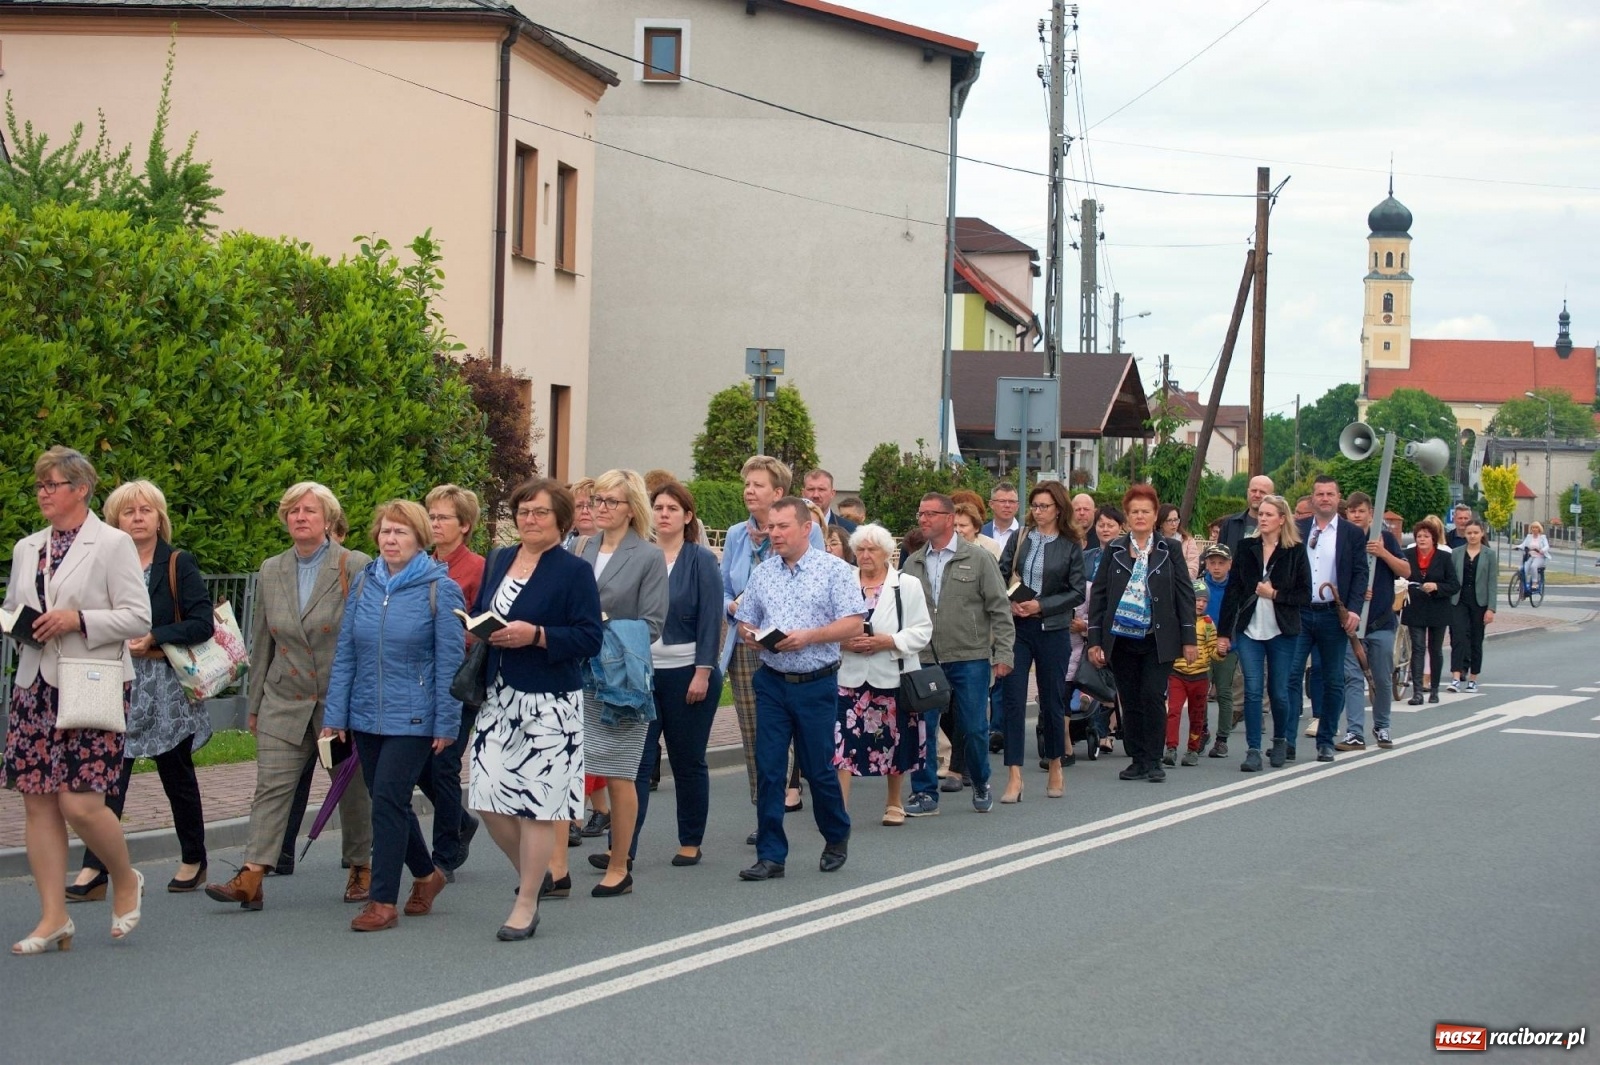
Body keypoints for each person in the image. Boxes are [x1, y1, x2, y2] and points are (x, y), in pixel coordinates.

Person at [6, 447, 152, 955]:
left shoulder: (112, 543)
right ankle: (54, 917)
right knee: (39, 802)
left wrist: (78, 620)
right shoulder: (29, 547)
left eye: (52, 485)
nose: (43, 493)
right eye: (40, 485)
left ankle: (124, 877)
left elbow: (138, 617)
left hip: (91, 681)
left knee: (80, 802)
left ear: (81, 488)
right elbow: (14, 609)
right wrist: (20, 625)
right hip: (35, 686)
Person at [206, 482, 373, 912]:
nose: (300, 517)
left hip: (340, 702)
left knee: (351, 788)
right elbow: (262, 639)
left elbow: (368, 636)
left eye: (309, 510)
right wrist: (256, 704)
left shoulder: (353, 565)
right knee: (271, 787)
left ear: (329, 520)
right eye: (293, 510)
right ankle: (252, 875)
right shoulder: (271, 569)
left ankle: (361, 866)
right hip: (285, 697)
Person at [467, 478, 602, 939]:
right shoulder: (500, 559)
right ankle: (535, 872)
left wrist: (538, 635)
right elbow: (488, 610)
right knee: (486, 797)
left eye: (540, 512)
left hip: (549, 701)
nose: (529, 519)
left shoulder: (573, 571)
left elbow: (589, 638)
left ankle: (525, 903)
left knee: (539, 807)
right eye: (523, 511)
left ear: (561, 521)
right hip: (498, 695)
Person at [322, 501, 465, 932]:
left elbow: (450, 663)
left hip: (415, 717)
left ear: (420, 539)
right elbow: (347, 652)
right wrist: (336, 714)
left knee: (385, 799)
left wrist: (446, 723)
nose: (390, 539)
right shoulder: (365, 583)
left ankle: (383, 901)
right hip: (366, 715)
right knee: (391, 801)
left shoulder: (440, 588)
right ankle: (427, 875)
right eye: (385, 532)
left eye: (400, 532)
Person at [70, 480, 213, 901]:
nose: (138, 517)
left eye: (146, 510)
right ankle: (95, 869)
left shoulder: (178, 563)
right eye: (129, 512)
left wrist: (155, 636)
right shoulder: (101, 564)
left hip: (166, 686)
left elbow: (203, 622)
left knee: (177, 777)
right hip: (115, 681)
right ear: (114, 520)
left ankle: (194, 858)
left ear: (159, 517)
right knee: (109, 777)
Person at [734, 497, 866, 880]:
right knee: (770, 768)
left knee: (818, 769)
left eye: (781, 527)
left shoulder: (834, 571)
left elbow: (854, 624)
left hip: (816, 684)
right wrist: (752, 636)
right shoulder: (763, 573)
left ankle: (836, 836)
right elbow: (744, 622)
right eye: (770, 527)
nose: (773, 533)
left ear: (806, 528)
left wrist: (809, 636)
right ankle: (771, 855)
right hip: (772, 682)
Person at [720, 456, 824, 843]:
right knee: (755, 733)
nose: (749, 490)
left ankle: (808, 796)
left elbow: (811, 581)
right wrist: (733, 607)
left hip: (791, 646)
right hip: (747, 643)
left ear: (778, 492)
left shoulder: (803, 531)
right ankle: (765, 813)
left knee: (796, 732)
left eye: (758, 485)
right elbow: (724, 587)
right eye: (747, 484)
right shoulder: (734, 535)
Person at [577, 469, 668, 897]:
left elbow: (651, 625)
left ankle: (619, 863)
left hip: (620, 679)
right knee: (567, 768)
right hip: (577, 674)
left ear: (632, 509)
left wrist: (597, 626)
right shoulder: (581, 546)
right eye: (597, 500)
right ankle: (556, 868)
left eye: (610, 501)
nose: (600, 508)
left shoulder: (648, 556)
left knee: (618, 773)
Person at [900, 493, 1013, 814]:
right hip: (924, 658)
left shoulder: (978, 559)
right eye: (920, 513)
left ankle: (980, 781)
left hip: (970, 657)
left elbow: (999, 609)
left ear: (949, 518)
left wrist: (1003, 653)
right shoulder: (913, 562)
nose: (922, 519)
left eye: (930, 514)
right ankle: (924, 793)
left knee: (974, 727)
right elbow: (904, 611)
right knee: (923, 726)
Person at [632, 482, 725, 866]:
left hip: (688, 673)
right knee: (635, 764)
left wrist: (703, 672)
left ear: (688, 517)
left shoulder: (700, 560)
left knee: (687, 760)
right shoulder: (640, 557)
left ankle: (690, 840)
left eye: (673, 508)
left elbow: (710, 620)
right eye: (658, 507)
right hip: (642, 674)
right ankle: (623, 847)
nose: (664, 513)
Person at [1086, 485, 1197, 783]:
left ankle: (1154, 759)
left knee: (1151, 695)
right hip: (1121, 639)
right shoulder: (1116, 549)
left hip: (1157, 638)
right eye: (1134, 511)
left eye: (1145, 511)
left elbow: (1185, 595)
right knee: (1130, 699)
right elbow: (1099, 596)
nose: (1140, 516)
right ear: (1127, 516)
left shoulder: (1169, 549)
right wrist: (1095, 640)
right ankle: (1137, 758)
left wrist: (1189, 639)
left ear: (1154, 515)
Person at [834, 523, 933, 826]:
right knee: (842, 744)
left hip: (891, 674)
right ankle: (840, 809)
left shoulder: (907, 585)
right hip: (848, 676)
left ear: (887, 553)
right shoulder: (841, 581)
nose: (865, 555)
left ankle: (894, 802)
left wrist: (887, 641)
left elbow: (922, 631)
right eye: (860, 549)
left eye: (871, 549)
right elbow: (825, 625)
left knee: (895, 740)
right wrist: (843, 642)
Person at [998, 481, 1086, 800]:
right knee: (1013, 698)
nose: (1037, 512)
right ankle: (1014, 776)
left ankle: (1055, 765)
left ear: (1058, 509)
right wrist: (1011, 601)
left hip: (1054, 630)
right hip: (1018, 629)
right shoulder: (1019, 537)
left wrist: (1042, 605)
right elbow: (1001, 573)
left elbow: (1077, 591)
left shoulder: (1070, 544)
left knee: (1051, 700)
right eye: (1034, 506)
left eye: (1044, 506)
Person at [1216, 495, 1311, 772]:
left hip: (1282, 631)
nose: (1263, 518)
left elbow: (1305, 594)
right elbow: (1233, 592)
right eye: (1261, 514)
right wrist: (1224, 633)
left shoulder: (1294, 550)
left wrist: (1275, 594)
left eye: (1270, 514)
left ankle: (1279, 740)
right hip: (1249, 630)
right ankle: (1253, 749)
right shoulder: (1246, 548)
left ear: (1282, 519)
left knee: (1279, 691)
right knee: (1253, 691)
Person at [420, 484, 484, 880]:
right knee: (418, 763)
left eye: (443, 517)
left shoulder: (477, 567)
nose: (434, 523)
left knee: (444, 764)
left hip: (459, 679)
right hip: (420, 679)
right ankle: (461, 819)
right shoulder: (421, 563)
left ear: (465, 525)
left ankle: (444, 854)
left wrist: (449, 632)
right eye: (431, 516)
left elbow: (482, 627)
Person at [1288, 475, 1370, 764]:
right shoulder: (1297, 529)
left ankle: (1325, 740)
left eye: (1330, 494)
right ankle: (1286, 741)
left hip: (1333, 614)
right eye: (1319, 494)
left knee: (1334, 679)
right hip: (1300, 612)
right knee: (1291, 675)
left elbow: (1361, 574)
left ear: (1338, 498)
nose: (1324, 498)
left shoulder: (1351, 533)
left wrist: (1355, 610)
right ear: (1312, 500)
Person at [1334, 492, 1411, 752]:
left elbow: (1405, 571)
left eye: (1361, 511)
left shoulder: (1385, 538)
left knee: (1381, 677)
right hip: (1353, 624)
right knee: (1352, 677)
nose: (1356, 515)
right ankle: (1355, 732)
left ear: (1370, 514)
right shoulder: (1341, 539)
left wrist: (1384, 553)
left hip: (1380, 622)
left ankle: (1382, 725)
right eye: (1352, 511)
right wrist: (1355, 593)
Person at [1402, 516, 1460, 706]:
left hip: (1438, 608)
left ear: (1433, 539)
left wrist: (1436, 586)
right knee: (1418, 648)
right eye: (1419, 536)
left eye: (1426, 536)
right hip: (1416, 607)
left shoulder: (1444, 557)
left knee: (1435, 649)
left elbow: (1454, 585)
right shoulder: (1408, 555)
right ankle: (1417, 691)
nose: (1422, 539)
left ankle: (1434, 689)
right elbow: (1400, 576)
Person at [1165, 579, 1217, 766]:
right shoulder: (1178, 620)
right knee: (1174, 711)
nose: (1201, 604)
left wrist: (1219, 651)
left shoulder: (1209, 624)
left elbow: (1212, 650)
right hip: (1177, 673)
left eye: (1204, 601)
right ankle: (1171, 747)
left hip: (1200, 676)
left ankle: (1193, 749)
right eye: (1197, 600)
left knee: (1197, 714)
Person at [1447, 519, 1498, 694]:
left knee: (1476, 640)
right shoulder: (1456, 553)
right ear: (1465, 534)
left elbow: (1492, 582)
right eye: (1469, 533)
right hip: (1458, 601)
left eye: (1476, 532)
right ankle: (1455, 677)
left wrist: (1491, 608)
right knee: (1458, 638)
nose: (1472, 536)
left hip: (1479, 603)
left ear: (1482, 533)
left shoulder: (1489, 555)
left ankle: (1473, 678)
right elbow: (1451, 578)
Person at [1199, 544, 1237, 759]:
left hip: (1227, 646)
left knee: (1223, 691)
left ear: (1229, 565)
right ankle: (1202, 730)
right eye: (1212, 562)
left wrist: (1230, 639)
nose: (1216, 567)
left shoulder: (1235, 587)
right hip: (1203, 646)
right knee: (1200, 690)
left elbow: (1239, 615)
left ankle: (1222, 738)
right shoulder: (1200, 586)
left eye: (1221, 563)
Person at [1215, 475, 1273, 557]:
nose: (1257, 495)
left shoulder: (1278, 527)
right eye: (1254, 491)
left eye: (1262, 492)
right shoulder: (1230, 524)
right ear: (1248, 492)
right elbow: (1220, 558)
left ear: (1272, 496)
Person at [802, 468, 858, 533]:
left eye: (821, 489)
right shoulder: (792, 527)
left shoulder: (849, 529)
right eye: (811, 489)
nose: (815, 495)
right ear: (803, 493)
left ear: (832, 494)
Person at [1159, 503, 1202, 580]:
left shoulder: (1188, 541)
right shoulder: (1154, 540)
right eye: (1169, 520)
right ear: (1161, 523)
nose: (1174, 524)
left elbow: (1193, 570)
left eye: (1176, 519)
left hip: (1181, 584)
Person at [982, 483, 1022, 553]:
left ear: (1017, 506)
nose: (1007, 505)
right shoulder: (981, 532)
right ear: (991, 504)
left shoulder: (1025, 535)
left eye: (1012, 501)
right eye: (1002, 501)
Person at [562, 477, 598, 554]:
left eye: (591, 505)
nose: (585, 511)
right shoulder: (561, 546)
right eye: (578, 506)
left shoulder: (610, 546)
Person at [1518, 522, 1549, 595]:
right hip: (1530, 556)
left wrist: (1542, 550)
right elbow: (1523, 544)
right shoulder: (1529, 536)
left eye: (1536, 528)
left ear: (1539, 529)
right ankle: (1522, 585)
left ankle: (1535, 583)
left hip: (1539, 556)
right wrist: (1517, 547)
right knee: (1523, 569)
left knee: (1533, 566)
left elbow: (1547, 546)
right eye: (1533, 528)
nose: (1534, 529)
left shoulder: (1542, 537)